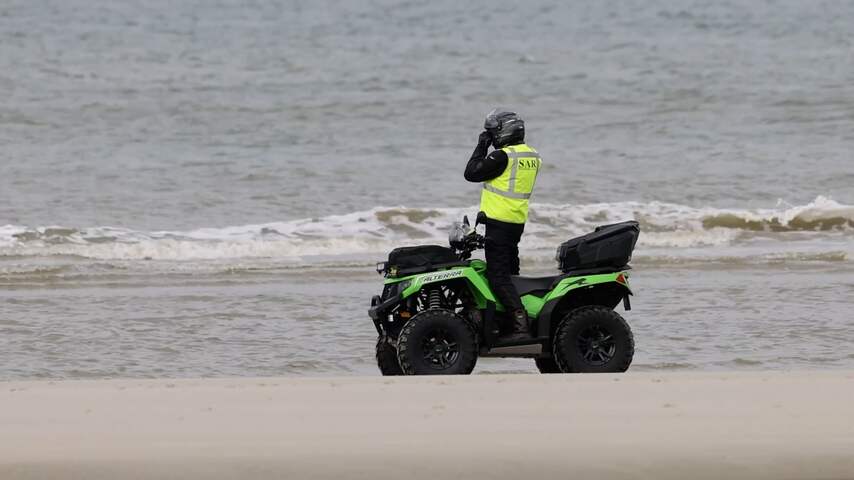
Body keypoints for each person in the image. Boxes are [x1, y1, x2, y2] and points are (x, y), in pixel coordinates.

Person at [464, 109, 542, 339]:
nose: (491, 137)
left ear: (503, 132)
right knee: (511, 274)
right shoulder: (532, 155)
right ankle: (511, 320)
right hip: (515, 221)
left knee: (498, 277)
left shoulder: (503, 157)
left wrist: (481, 147)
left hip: (499, 224)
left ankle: (520, 326)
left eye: (492, 133)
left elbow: (471, 173)